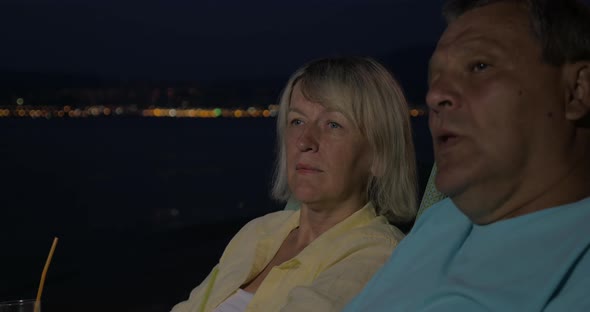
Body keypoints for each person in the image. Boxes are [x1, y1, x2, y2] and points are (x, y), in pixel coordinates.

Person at [343, 0, 590, 311]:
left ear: (577, 90)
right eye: (435, 78)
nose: (435, 95)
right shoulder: (439, 224)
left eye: (479, 67)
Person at [170, 57, 417, 312]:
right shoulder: (258, 232)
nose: (304, 141)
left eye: (333, 124)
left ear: (380, 156)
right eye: (297, 121)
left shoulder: (376, 255)